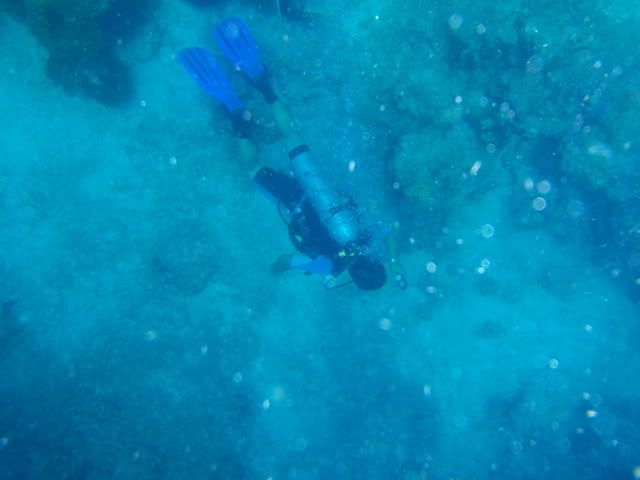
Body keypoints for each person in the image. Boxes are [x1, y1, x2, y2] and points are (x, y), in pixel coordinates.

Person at [179, 17, 390, 290]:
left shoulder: (368, 237)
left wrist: (393, 260)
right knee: (252, 168)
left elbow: (387, 228)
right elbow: (286, 260)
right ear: (354, 278)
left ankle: (263, 84)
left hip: (314, 182)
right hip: (292, 197)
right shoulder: (329, 266)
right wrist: (277, 270)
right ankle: (236, 112)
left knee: (292, 134)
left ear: (375, 261)